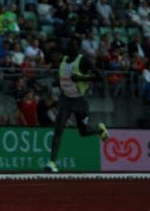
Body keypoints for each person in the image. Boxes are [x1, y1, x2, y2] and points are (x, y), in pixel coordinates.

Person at [45, 37, 110, 173]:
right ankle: (52, 162)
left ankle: (99, 129)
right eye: (69, 47)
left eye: (73, 47)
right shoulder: (63, 60)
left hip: (80, 101)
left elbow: (101, 76)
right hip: (66, 99)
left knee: (83, 131)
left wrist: (81, 78)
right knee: (58, 129)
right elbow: (63, 75)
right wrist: (58, 82)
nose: (70, 49)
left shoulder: (83, 60)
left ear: (77, 49)